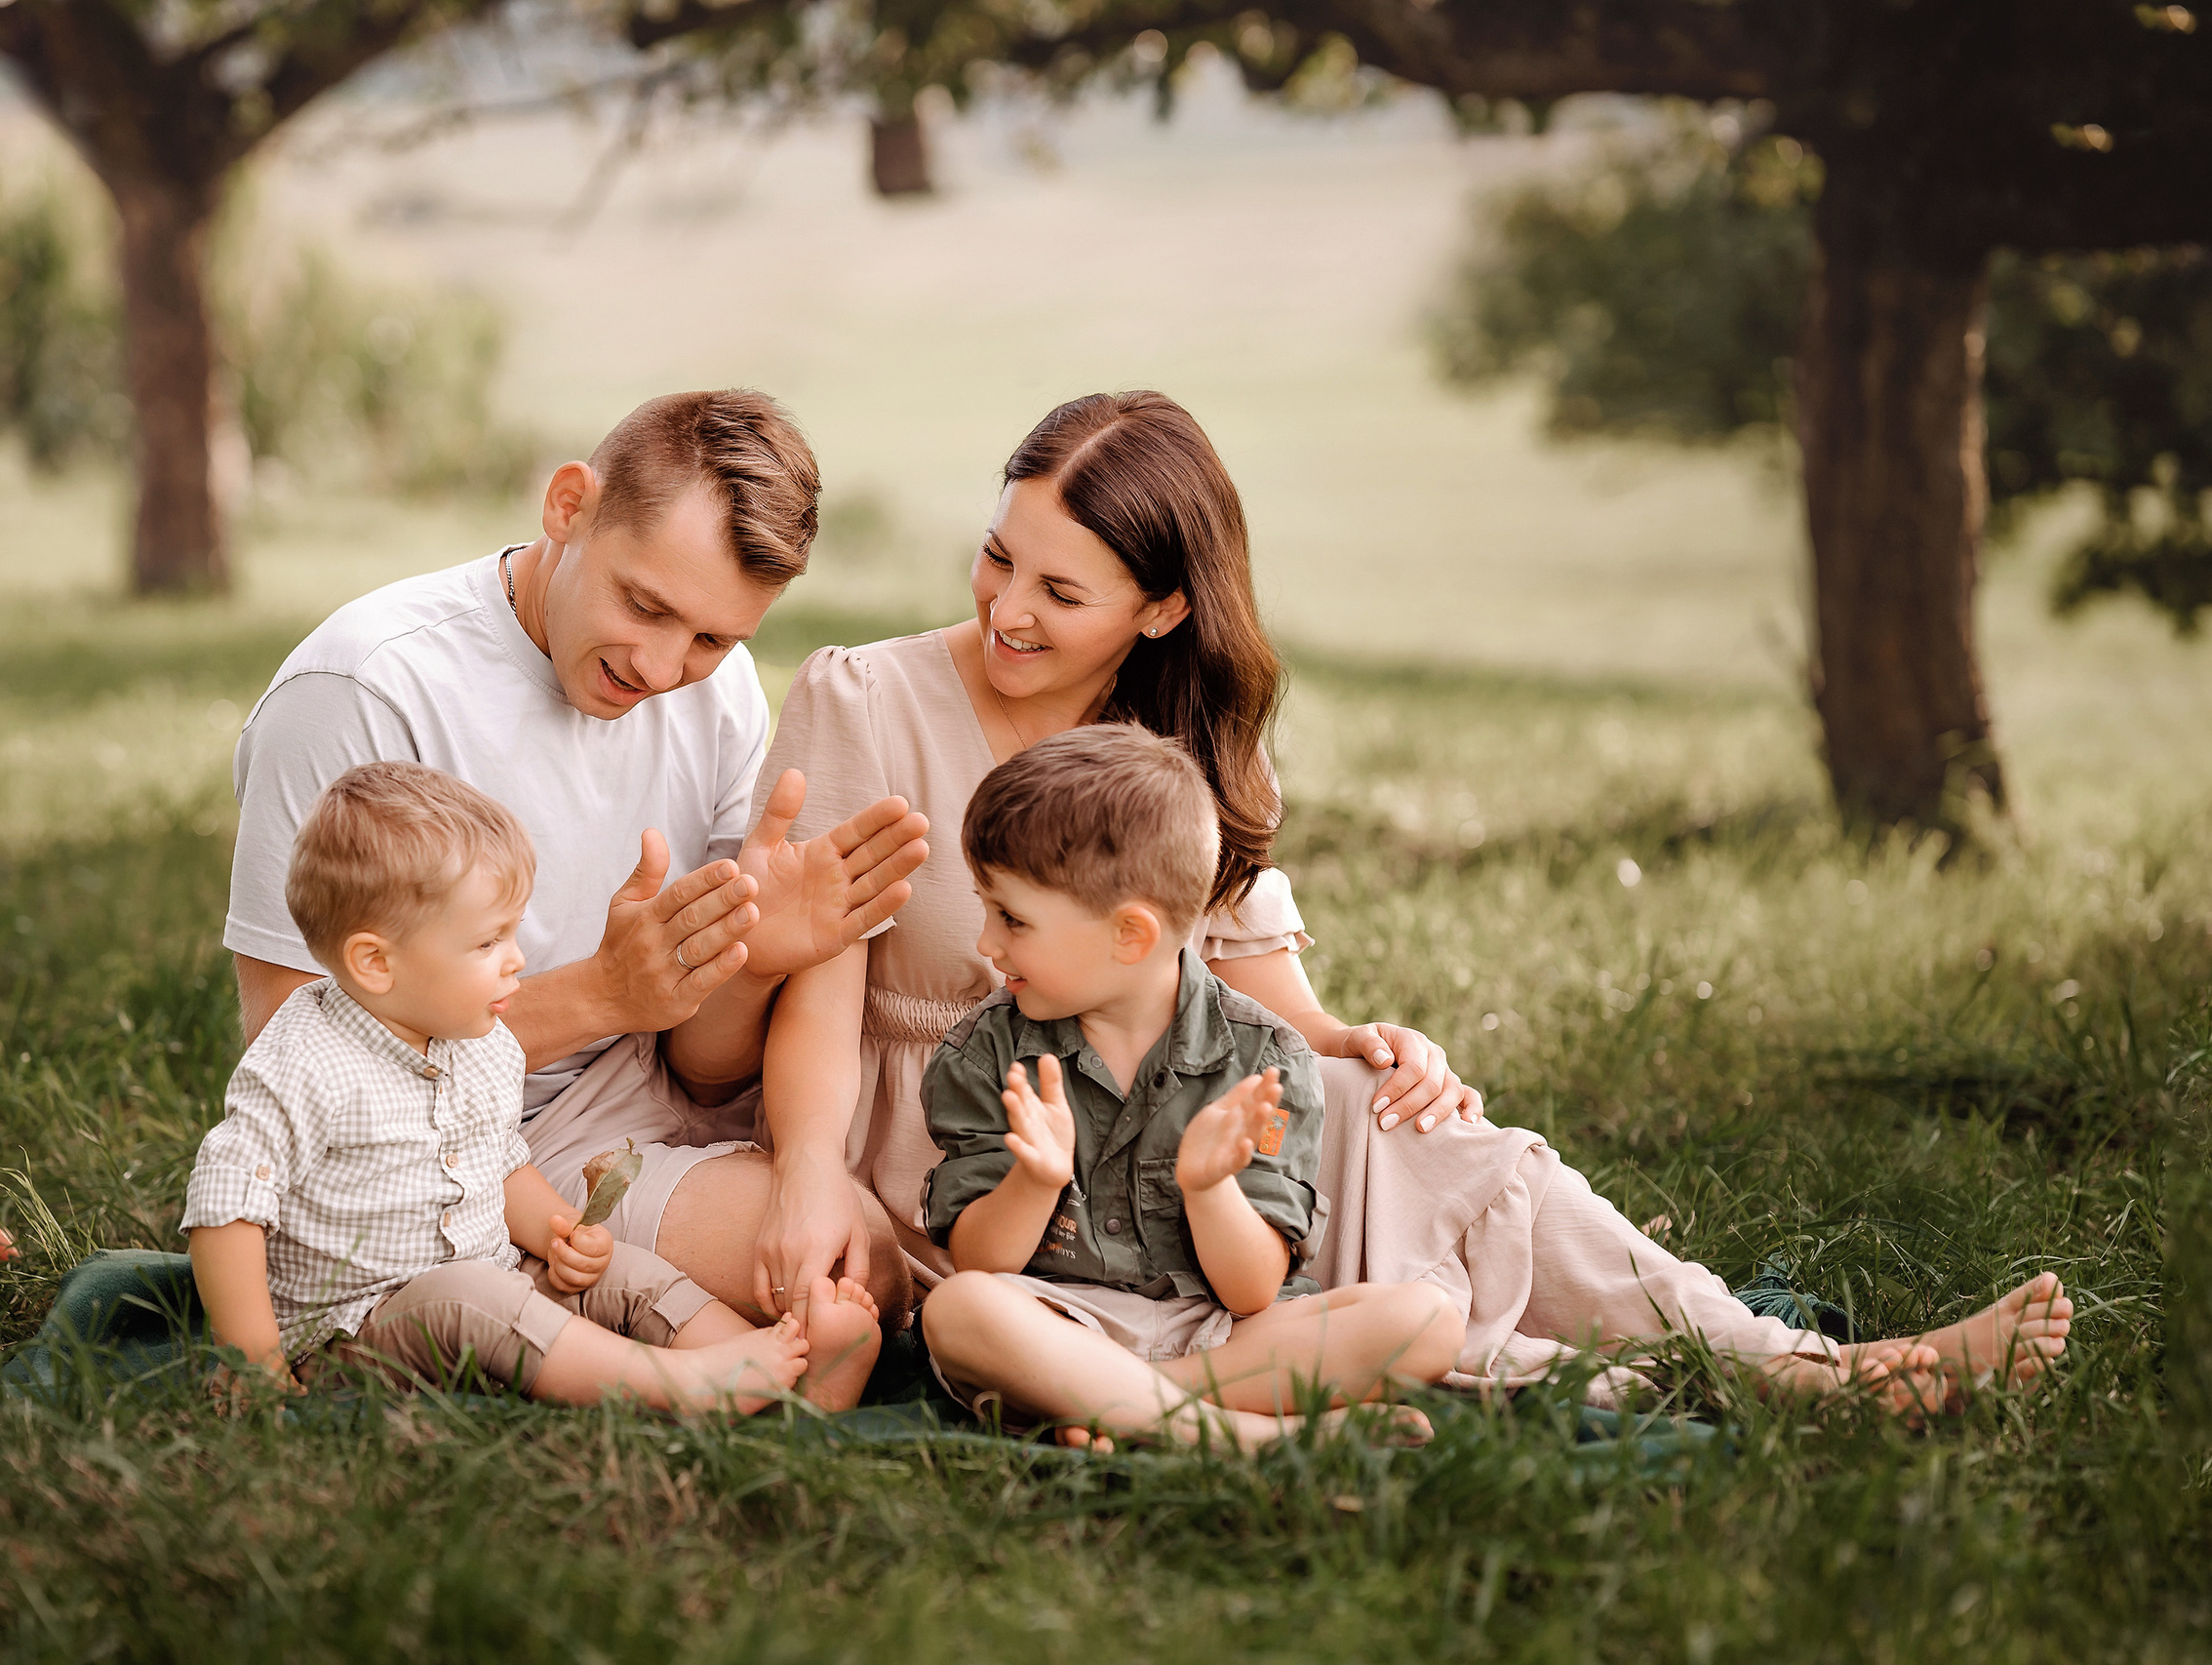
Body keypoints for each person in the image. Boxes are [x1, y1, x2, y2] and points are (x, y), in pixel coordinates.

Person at [752, 389, 2072, 1411]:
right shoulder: (865, 699)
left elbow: (1253, 999)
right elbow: (820, 978)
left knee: (1416, 1122)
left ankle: (1789, 1364)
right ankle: (1690, 1377)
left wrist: (1366, 1047)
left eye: (1060, 589)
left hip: (1170, 1114)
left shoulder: (1193, 744)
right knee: (1342, 1259)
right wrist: (813, 1176)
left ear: (1160, 609)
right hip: (975, 1155)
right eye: (998, 557)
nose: (1006, 609)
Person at [223, 391, 928, 1332]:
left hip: (643, 1105)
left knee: (862, 1264)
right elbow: (287, 1041)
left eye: (714, 638)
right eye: (645, 604)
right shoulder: (364, 689)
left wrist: (749, 961)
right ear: (568, 506)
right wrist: (603, 993)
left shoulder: (718, 704)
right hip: (431, 1138)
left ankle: (576, 1293)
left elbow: (701, 1069)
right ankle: (512, 1282)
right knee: (820, 1289)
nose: (663, 667)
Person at [182, 762, 882, 1411]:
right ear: (374, 961)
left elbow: (500, 1162)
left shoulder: (480, 1041)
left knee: (623, 1275)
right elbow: (226, 1205)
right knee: (470, 1296)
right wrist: (254, 1361)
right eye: (488, 943)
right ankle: (682, 1385)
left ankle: (776, 1371)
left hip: (496, 1279)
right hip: (356, 1332)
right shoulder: (306, 1059)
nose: (517, 960)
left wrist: (557, 1233)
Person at [918, 727, 1462, 1448]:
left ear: (1131, 935)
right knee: (958, 1311)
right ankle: (1250, 1437)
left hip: (1226, 1335)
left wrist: (1210, 1189)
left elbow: (1253, 1291)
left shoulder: (1268, 1060)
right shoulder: (984, 1051)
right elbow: (983, 1264)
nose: (987, 942)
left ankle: (1119, 1406)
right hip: (1058, 1322)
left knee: (1428, 1321)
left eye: (1012, 917)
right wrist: (1034, 1180)